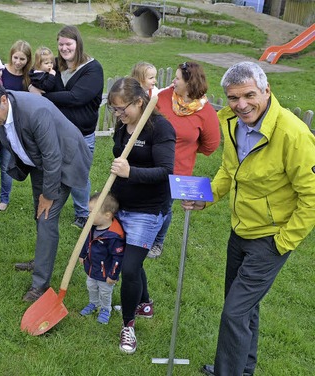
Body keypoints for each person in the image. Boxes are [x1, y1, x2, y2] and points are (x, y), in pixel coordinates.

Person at [180, 62, 315, 376]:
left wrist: (284, 242)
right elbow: (230, 171)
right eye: (233, 97)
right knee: (242, 307)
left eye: (249, 95)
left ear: (266, 90)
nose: (241, 104)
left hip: (271, 239)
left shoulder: (293, 135)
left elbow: (311, 198)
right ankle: (243, 367)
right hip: (240, 229)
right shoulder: (230, 121)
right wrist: (207, 197)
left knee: (234, 312)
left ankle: (228, 371)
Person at [0, 81, 92, 302]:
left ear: (3, 100)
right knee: (38, 212)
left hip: (64, 162)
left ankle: (39, 285)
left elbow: (53, 156)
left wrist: (49, 195)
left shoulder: (35, 112)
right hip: (40, 163)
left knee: (46, 217)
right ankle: (42, 259)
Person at [106, 78, 175, 354]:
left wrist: (130, 172)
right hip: (122, 205)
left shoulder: (161, 129)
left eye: (122, 109)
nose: (119, 115)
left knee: (130, 268)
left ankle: (128, 326)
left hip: (148, 210)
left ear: (139, 102)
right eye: (114, 110)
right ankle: (144, 303)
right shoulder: (123, 127)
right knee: (131, 258)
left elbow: (165, 171)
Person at [34, 25, 104, 229]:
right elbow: (41, 81)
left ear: (78, 44)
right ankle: (53, 204)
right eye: (61, 44)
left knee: (79, 174)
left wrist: (45, 98)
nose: (64, 48)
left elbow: (76, 97)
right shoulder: (57, 66)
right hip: (58, 131)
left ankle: (83, 213)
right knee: (56, 170)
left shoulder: (92, 69)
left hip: (82, 133)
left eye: (69, 44)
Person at [149, 61, 220, 259]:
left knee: (164, 207)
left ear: (190, 83)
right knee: (144, 199)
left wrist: (186, 149)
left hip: (176, 171)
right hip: (149, 162)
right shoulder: (163, 98)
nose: (173, 81)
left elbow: (211, 145)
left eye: (178, 78)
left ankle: (157, 241)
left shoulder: (205, 113)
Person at [0, 40, 33, 212]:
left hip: (20, 126)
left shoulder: (29, 77)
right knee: (4, 164)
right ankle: (4, 198)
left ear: (28, 60)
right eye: (15, 58)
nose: (18, 62)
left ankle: (38, 194)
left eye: (22, 59)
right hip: (2, 124)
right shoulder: (1, 72)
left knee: (26, 162)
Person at [78, 192, 124, 324]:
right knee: (91, 286)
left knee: (104, 291)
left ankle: (105, 309)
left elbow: (118, 258)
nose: (88, 215)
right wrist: (82, 255)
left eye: (92, 212)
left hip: (106, 273)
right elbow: (86, 241)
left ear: (107, 215)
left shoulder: (114, 236)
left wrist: (113, 275)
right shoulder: (92, 227)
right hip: (92, 267)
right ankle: (94, 303)